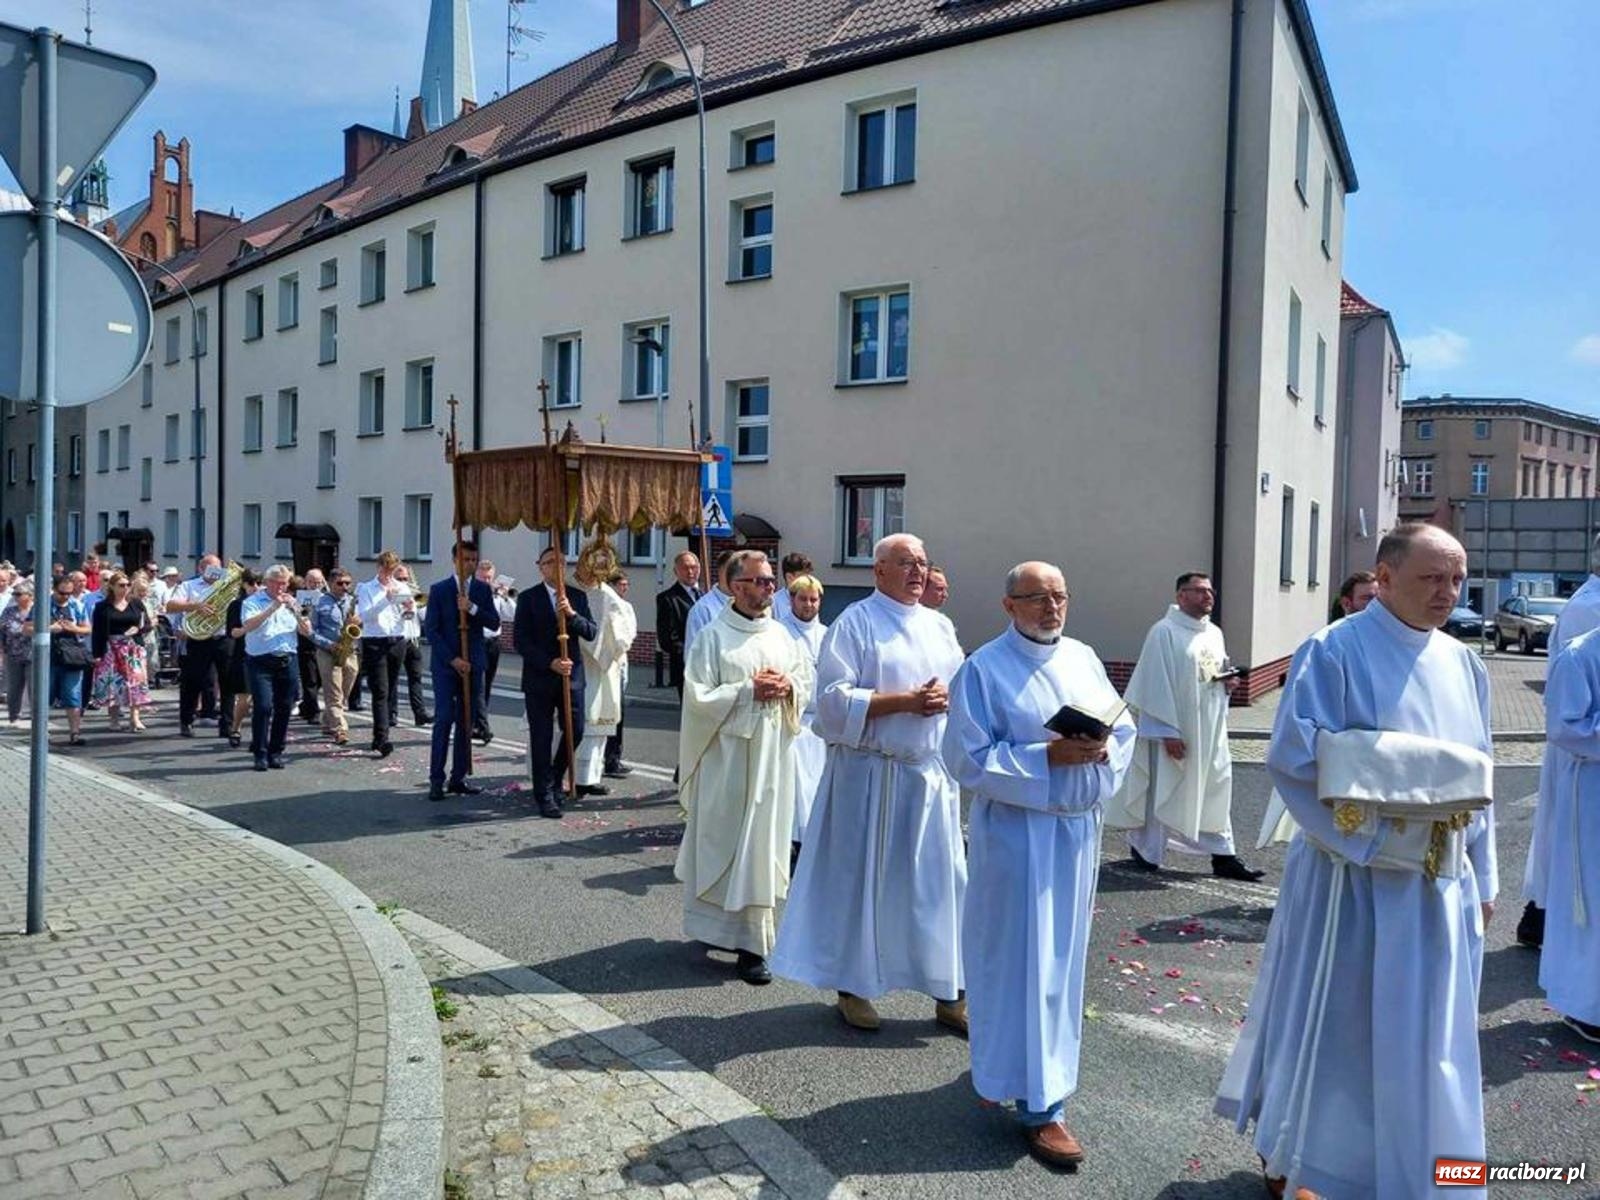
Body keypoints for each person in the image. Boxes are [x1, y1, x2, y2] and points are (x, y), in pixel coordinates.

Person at [1215, 523, 1497, 1200]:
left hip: (1438, 882)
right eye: (1432, 578)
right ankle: (1309, 1162)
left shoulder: (1466, 663)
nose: (1447, 593)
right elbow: (1294, 759)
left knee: (1426, 1035)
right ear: (1385, 576)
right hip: (1354, 879)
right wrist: (1371, 840)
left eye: (1456, 580)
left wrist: (1484, 876)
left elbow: (1480, 780)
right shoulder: (1333, 650)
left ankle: (1417, 1168)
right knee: (1340, 1026)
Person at [944, 562, 1135, 1169]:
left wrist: (1105, 746)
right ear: (1008, 605)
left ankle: (1039, 1082)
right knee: (1018, 961)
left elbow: (1122, 725)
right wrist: (1044, 756)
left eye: (1060, 597)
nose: (1052, 608)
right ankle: (1037, 1100)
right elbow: (966, 758)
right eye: (1037, 598)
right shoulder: (982, 669)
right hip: (1019, 836)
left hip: (1075, 834)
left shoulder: (1082, 656)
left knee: (1059, 966)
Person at [771, 533, 969, 1034]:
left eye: (923, 563)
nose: (918, 571)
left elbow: (962, 689)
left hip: (928, 776)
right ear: (879, 570)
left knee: (939, 887)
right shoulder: (856, 623)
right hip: (871, 777)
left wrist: (949, 699)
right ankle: (854, 987)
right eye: (907, 563)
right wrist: (904, 701)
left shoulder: (941, 626)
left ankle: (950, 992)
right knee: (867, 887)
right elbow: (832, 702)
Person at [676, 550, 814, 984]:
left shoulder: (782, 635)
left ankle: (754, 945)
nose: (769, 588)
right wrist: (746, 691)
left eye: (771, 580)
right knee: (725, 842)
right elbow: (697, 698)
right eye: (759, 581)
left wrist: (788, 686)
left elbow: (804, 680)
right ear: (736, 587)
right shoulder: (713, 638)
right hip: (728, 762)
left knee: (762, 844)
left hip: (772, 758)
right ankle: (717, 928)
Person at [1103, 573, 1263, 881]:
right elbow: (1153, 685)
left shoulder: (1214, 633)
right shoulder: (1163, 632)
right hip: (1176, 730)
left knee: (1214, 788)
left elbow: (1213, 672)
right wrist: (1167, 732)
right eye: (1200, 591)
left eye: (1210, 591)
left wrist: (1228, 681)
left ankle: (1224, 856)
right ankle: (1147, 849)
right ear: (1181, 596)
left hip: (1210, 730)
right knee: (1165, 788)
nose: (1208, 596)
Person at [1519, 535, 1600, 951]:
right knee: (1573, 845)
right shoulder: (1591, 608)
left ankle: (1543, 919)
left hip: (1584, 746)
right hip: (1584, 749)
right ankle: (1545, 921)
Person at [1538, 626, 1600, 1044]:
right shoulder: (1580, 655)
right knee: (1592, 898)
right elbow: (1564, 728)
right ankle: (1586, 1005)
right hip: (1593, 788)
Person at [514, 546, 598, 818]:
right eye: (550, 562)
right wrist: (549, 662)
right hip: (540, 678)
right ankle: (544, 794)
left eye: (561, 562)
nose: (556, 567)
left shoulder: (576, 596)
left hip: (571, 678)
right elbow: (521, 641)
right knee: (541, 737)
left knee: (576, 730)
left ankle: (554, 774)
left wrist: (572, 615)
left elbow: (591, 632)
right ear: (541, 567)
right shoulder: (528, 598)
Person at [421, 540, 500, 801]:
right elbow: (432, 630)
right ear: (455, 560)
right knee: (444, 719)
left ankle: (458, 777)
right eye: (465, 559)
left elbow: (493, 621)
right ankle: (436, 779)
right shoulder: (440, 590)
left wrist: (472, 608)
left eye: (473, 560)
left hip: (474, 663)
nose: (469, 564)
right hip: (446, 666)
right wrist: (453, 659)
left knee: (467, 722)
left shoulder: (481, 589)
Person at [239, 564, 312, 771]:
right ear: (268, 582)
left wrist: (297, 613)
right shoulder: (253, 601)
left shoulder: (292, 602)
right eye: (277, 583)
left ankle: (276, 751)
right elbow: (248, 625)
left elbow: (306, 631)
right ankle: (259, 753)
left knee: (284, 707)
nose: (281, 587)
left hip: (287, 658)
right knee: (263, 707)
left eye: (285, 583)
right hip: (260, 660)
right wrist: (272, 608)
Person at [575, 550, 636, 798]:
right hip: (585, 665)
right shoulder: (583, 593)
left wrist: (615, 646)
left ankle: (590, 776)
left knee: (598, 726)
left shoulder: (606, 595)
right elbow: (618, 631)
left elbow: (623, 628)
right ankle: (580, 778)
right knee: (585, 724)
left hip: (603, 667)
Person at [776, 574, 828, 857]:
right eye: (803, 599)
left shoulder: (828, 633)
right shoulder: (779, 632)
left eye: (814, 599)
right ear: (792, 600)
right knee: (795, 785)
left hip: (820, 724)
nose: (808, 605)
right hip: (793, 721)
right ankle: (791, 841)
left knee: (817, 783)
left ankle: (814, 837)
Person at [356, 550, 413, 758]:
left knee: (391, 688)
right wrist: (386, 600)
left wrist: (409, 609)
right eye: (386, 570)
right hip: (374, 641)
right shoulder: (366, 588)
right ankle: (382, 739)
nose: (389, 575)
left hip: (397, 640)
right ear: (379, 567)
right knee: (380, 690)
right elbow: (364, 616)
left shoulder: (402, 587)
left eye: (392, 570)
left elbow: (408, 616)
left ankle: (378, 736)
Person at [167, 555, 229, 736]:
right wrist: (195, 606)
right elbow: (170, 606)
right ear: (201, 570)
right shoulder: (188, 586)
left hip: (223, 637)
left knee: (227, 681)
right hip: (198, 638)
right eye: (211, 569)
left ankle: (227, 723)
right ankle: (186, 720)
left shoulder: (226, 586)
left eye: (218, 569)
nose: (216, 573)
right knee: (192, 681)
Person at [89, 570, 153, 732]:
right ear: (112, 587)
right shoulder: (102, 607)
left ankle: (135, 718)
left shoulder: (136, 603)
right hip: (111, 648)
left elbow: (148, 624)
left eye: (128, 585)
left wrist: (137, 630)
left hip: (132, 649)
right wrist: (97, 654)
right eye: (121, 585)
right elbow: (97, 632)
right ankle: (114, 719)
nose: (125, 588)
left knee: (135, 682)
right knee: (113, 684)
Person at [310, 569, 361, 745]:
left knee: (344, 690)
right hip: (327, 651)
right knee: (334, 692)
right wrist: (327, 644)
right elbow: (311, 631)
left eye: (347, 583)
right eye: (340, 583)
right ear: (331, 584)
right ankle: (340, 729)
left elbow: (362, 624)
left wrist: (357, 622)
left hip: (348, 650)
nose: (344, 587)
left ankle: (327, 721)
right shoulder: (319, 602)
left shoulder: (353, 601)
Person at [45, 573, 90, 745]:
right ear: (54, 589)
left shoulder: (77, 605)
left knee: (72, 695)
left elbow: (87, 629)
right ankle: (43, 732)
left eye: (68, 593)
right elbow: (27, 628)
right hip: (49, 656)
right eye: (61, 593)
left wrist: (74, 629)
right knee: (45, 695)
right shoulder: (43, 604)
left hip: (72, 656)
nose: (65, 597)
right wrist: (50, 628)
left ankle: (75, 733)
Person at [220, 571, 260, 749]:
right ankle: (235, 728)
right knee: (245, 698)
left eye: (259, 583)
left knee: (262, 700)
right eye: (252, 583)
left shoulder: (267, 603)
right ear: (244, 585)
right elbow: (232, 632)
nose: (256, 587)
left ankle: (258, 736)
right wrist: (249, 626)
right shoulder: (236, 605)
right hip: (243, 654)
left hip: (264, 654)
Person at [655, 551, 702, 697]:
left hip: (709, 665)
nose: (690, 572)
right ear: (676, 571)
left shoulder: (705, 596)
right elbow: (667, 640)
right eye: (685, 568)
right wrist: (692, 654)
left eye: (694, 567)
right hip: (686, 667)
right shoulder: (668, 599)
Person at [392, 564, 433, 729]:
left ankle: (420, 713)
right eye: (400, 578)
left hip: (413, 640)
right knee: (392, 678)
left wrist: (419, 602)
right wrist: (402, 604)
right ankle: (391, 713)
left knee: (416, 678)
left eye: (405, 579)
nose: (403, 582)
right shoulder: (390, 594)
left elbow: (424, 616)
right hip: (397, 639)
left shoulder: (413, 594)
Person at [603, 571, 634, 778]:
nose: (625, 588)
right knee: (608, 712)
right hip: (608, 662)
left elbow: (630, 632)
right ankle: (607, 759)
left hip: (621, 660)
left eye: (626, 584)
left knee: (619, 713)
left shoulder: (627, 607)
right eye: (621, 584)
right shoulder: (607, 604)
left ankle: (615, 756)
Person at [685, 555, 736, 654]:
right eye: (732, 572)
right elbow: (694, 656)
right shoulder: (702, 609)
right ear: (721, 573)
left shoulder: (747, 605)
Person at [1, 580, 35, 722]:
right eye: (14, 593)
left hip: (34, 655)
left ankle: (37, 719)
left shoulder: (37, 611)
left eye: (19, 594)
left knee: (34, 688)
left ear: (30, 595)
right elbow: (2, 631)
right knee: (14, 688)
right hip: (13, 654)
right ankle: (13, 717)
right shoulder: (9, 611)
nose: (15, 596)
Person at [296, 569, 325, 725]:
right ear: (306, 583)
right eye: (312, 582)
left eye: (319, 582)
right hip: (306, 641)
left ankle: (305, 705)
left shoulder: (326, 598)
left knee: (320, 679)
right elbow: (295, 617)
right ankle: (313, 712)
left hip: (322, 642)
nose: (316, 585)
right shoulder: (299, 598)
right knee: (310, 679)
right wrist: (302, 610)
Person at [771, 551, 814, 624]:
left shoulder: (811, 601)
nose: (808, 580)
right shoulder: (774, 603)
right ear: (789, 577)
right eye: (803, 576)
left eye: (809, 576)